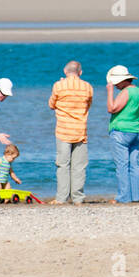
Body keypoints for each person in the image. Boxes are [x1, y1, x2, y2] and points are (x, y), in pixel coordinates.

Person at [48, 60, 94, 204]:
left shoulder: (58, 86)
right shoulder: (87, 87)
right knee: (79, 167)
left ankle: (61, 198)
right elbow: (88, 105)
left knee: (63, 165)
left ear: (65, 71)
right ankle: (78, 198)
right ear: (80, 72)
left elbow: (51, 105)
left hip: (63, 130)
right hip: (80, 130)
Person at [106, 65, 139, 204]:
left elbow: (111, 108)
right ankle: (135, 196)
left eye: (116, 82)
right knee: (134, 164)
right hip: (136, 130)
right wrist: (135, 109)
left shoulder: (125, 92)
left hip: (121, 131)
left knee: (122, 165)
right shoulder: (138, 91)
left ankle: (123, 197)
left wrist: (110, 92)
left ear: (123, 81)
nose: (115, 85)